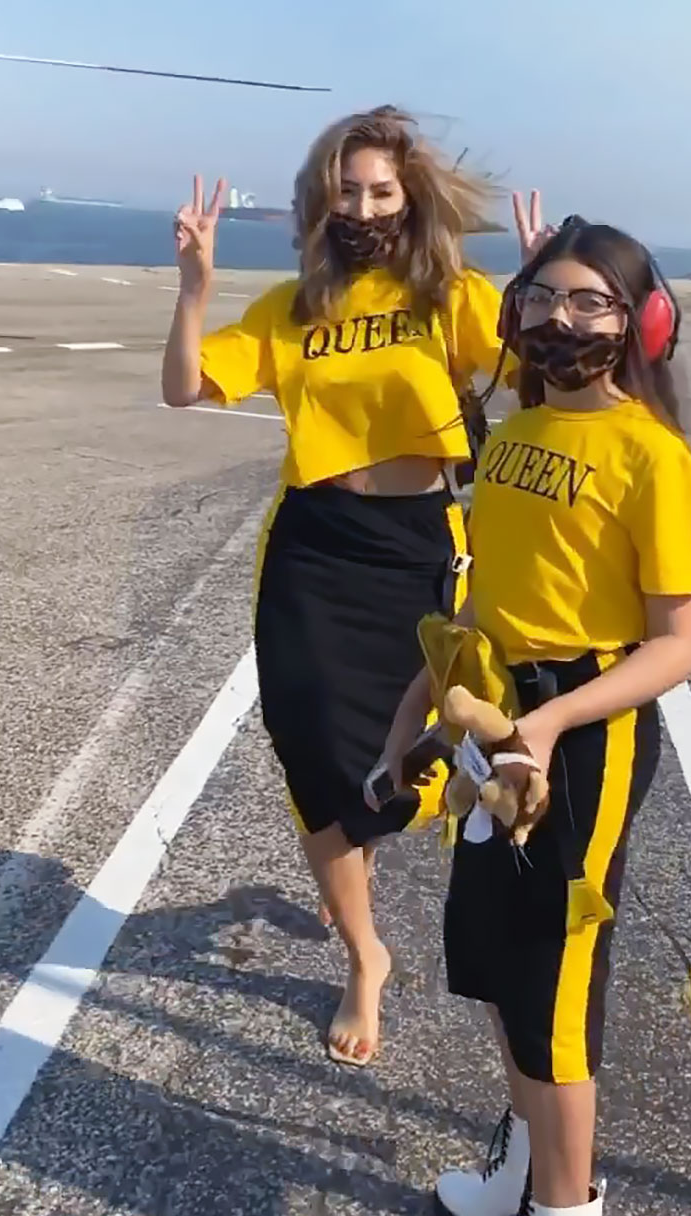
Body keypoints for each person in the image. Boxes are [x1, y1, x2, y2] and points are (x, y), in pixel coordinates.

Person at [161, 106, 544, 1068]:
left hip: (417, 544)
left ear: (409, 200)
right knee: (313, 755)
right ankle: (365, 955)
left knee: (408, 759)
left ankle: (359, 853)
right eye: (347, 191)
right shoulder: (290, 309)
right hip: (313, 547)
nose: (365, 208)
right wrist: (195, 289)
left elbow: (535, 372)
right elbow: (183, 386)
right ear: (319, 199)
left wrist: (539, 290)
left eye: (382, 192)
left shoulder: (448, 296)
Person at [378, 218, 691, 1216]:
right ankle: (526, 1168)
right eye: (542, 297)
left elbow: (678, 644)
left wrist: (555, 720)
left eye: (589, 302)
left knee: (555, 983)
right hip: (497, 724)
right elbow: (483, 610)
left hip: (584, 734)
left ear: (640, 323)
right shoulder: (517, 435)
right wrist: (412, 717)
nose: (559, 319)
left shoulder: (653, 458)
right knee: (493, 958)